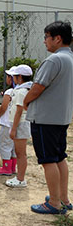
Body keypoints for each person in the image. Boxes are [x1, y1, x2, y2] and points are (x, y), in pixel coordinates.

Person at [24, 21, 73, 214]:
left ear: (57, 38)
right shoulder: (69, 58)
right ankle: (63, 198)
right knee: (60, 157)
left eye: (46, 37)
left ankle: (53, 202)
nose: (44, 41)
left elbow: (38, 87)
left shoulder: (53, 60)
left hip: (46, 118)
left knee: (48, 160)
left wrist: (26, 101)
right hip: (61, 117)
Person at [5, 65, 33, 188]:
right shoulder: (22, 89)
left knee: (20, 153)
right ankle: (19, 177)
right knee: (19, 152)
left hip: (20, 124)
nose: (13, 78)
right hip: (18, 123)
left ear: (20, 77)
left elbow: (19, 111)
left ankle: (20, 178)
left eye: (14, 76)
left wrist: (14, 128)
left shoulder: (22, 91)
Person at [0, 67, 16, 176]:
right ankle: (12, 167)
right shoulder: (23, 90)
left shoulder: (9, 92)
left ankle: (6, 167)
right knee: (13, 146)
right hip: (16, 123)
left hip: (7, 122)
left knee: (4, 145)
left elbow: (3, 107)